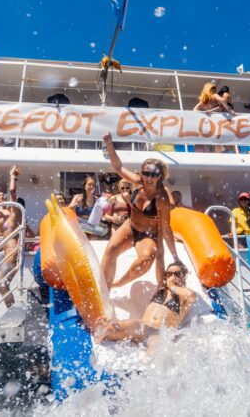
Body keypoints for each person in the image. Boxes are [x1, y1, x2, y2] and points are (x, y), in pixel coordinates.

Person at [100, 132, 180, 288]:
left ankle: (119, 283)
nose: (149, 178)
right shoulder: (137, 183)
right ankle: (105, 288)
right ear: (141, 173)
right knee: (111, 249)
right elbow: (118, 167)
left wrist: (175, 256)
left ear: (160, 176)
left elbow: (166, 228)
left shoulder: (162, 198)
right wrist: (109, 143)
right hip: (131, 227)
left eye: (154, 175)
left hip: (148, 235)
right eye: (146, 173)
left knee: (147, 260)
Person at [95, 262, 196, 351]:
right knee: (114, 327)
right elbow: (159, 256)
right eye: (169, 274)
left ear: (184, 277)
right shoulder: (161, 289)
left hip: (159, 333)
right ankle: (100, 336)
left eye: (177, 274)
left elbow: (191, 296)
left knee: (154, 355)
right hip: (141, 326)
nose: (172, 277)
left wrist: (173, 286)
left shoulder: (183, 297)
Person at [0, 166, 22, 307]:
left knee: (2, 286)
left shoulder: (13, 213)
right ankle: (13, 311)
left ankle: (14, 311)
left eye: (4, 196)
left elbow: (12, 191)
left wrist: (13, 176)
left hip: (11, 252)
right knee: (2, 287)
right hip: (2, 248)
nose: (2, 197)